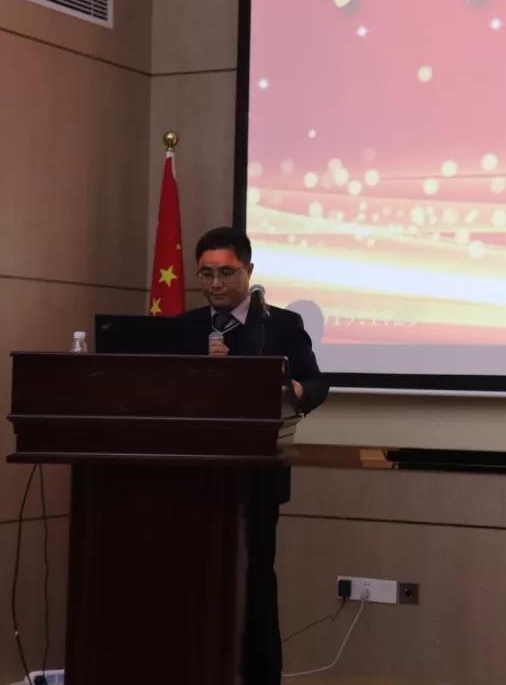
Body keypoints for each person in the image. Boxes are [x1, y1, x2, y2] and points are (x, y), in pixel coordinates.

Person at [179, 226, 328, 685]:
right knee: (194, 576)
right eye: (206, 274)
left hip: (258, 473)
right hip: (195, 475)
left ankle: (260, 676)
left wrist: (297, 391)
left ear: (249, 271)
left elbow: (316, 383)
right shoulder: (185, 327)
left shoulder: (278, 325)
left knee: (255, 574)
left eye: (226, 273)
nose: (215, 283)